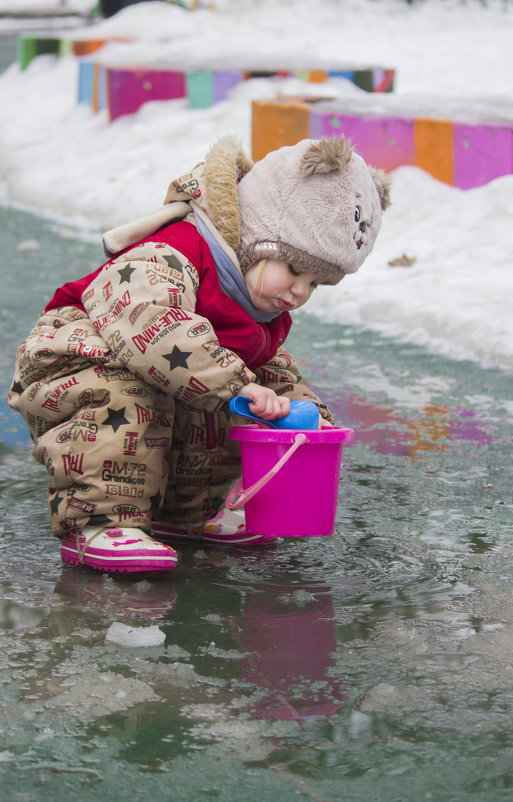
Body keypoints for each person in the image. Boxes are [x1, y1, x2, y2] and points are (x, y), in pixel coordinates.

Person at [8, 136, 390, 575]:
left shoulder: (256, 304)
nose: (301, 291)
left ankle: (186, 515)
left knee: (232, 402)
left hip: (156, 367)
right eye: (295, 270)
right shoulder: (170, 253)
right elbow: (154, 328)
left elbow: (271, 369)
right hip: (78, 363)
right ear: (257, 239)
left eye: (317, 283)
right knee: (132, 397)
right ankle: (100, 522)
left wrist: (304, 411)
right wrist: (239, 384)